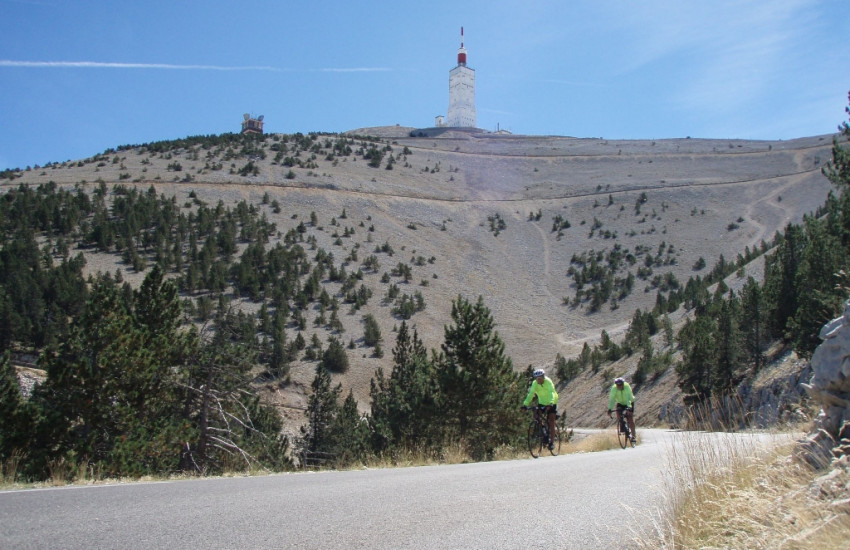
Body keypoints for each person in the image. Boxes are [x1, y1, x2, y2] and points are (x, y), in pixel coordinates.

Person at [522, 369, 559, 450]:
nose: (538, 380)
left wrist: (551, 403)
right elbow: (531, 394)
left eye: (540, 378)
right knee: (536, 416)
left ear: (543, 377)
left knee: (551, 420)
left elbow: (551, 392)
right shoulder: (535, 384)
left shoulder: (548, 382)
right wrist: (525, 404)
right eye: (536, 378)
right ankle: (544, 433)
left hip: (552, 401)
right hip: (542, 402)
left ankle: (552, 442)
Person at [607, 377, 636, 443]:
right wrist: (610, 409)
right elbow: (612, 399)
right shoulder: (614, 389)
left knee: (630, 418)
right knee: (618, 412)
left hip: (630, 402)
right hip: (620, 403)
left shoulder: (627, 387)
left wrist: (629, 407)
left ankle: (633, 437)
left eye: (620, 385)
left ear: (623, 384)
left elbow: (628, 398)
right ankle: (622, 425)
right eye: (618, 385)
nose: (619, 386)